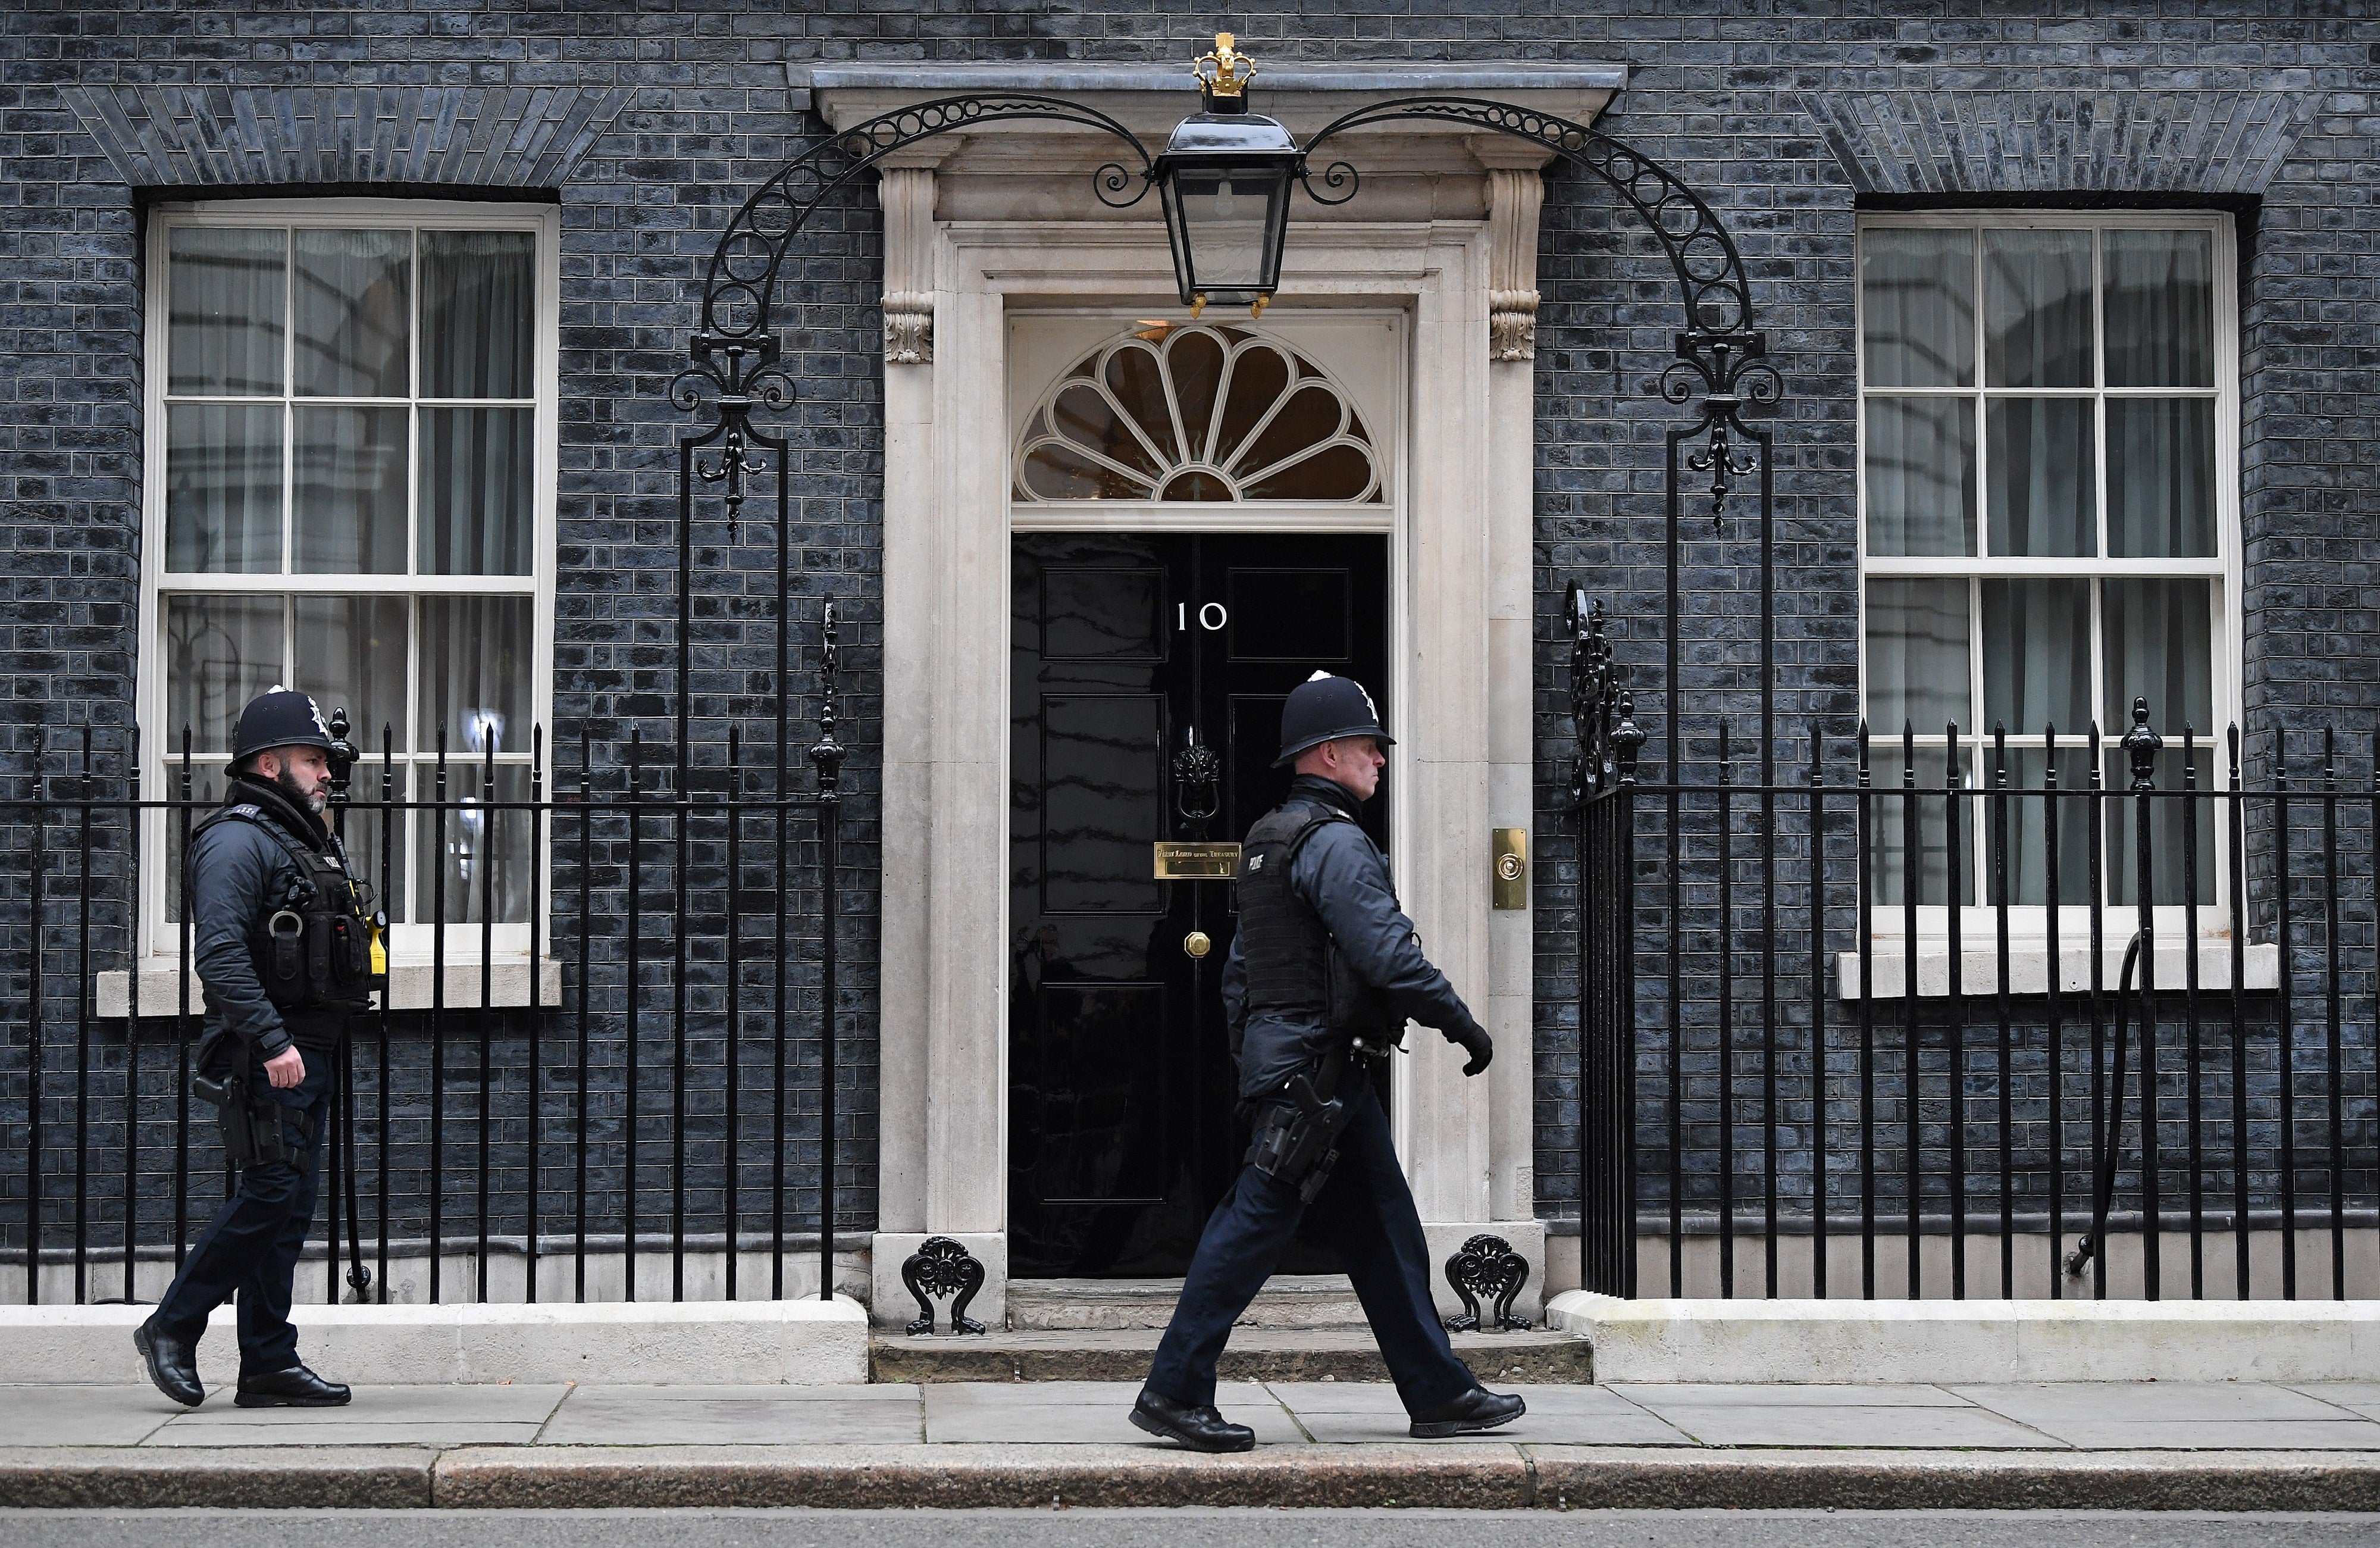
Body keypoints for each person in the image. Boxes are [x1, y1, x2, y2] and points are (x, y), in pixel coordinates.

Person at [1131, 671, 1524, 1452]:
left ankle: (1440, 1391)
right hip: (1317, 1076)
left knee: (1386, 1233)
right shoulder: (1337, 843)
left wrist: (1257, 1061)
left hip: (1312, 1074)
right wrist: (1465, 1026)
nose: (1380, 760)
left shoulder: (1272, 841)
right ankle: (1174, 1388)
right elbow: (1387, 954)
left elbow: (1242, 973)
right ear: (1332, 752)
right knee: (1247, 1230)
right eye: (1371, 747)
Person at [134, 689, 380, 1409]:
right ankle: (172, 1327)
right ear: (269, 765)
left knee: (290, 1206)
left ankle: (268, 1360)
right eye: (313, 760)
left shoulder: (294, 839)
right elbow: (218, 953)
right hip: (266, 1051)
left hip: (309, 1046)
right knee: (271, 1191)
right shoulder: (236, 840)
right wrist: (272, 1040)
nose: (327, 772)